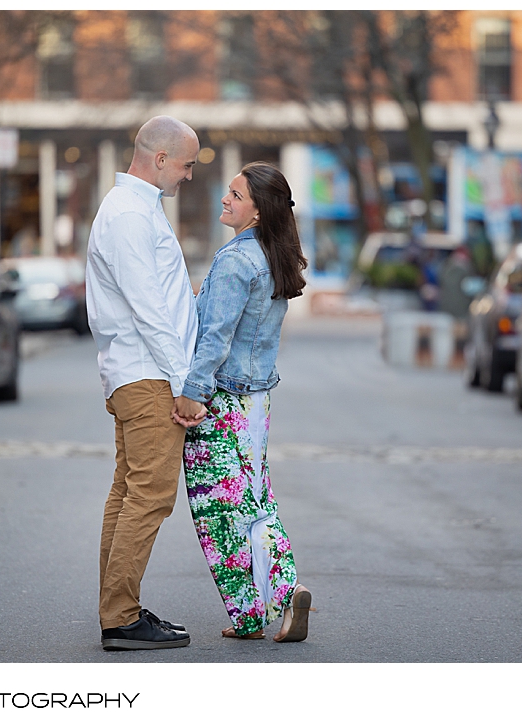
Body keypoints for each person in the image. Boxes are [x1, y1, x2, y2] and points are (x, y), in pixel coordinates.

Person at [172, 161, 313, 643]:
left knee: (218, 511)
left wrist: (194, 393)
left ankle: (271, 597)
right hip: (256, 404)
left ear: (257, 209)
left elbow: (215, 337)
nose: (225, 200)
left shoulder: (236, 260)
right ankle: (260, 609)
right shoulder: (271, 254)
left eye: (235, 194)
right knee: (254, 499)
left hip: (224, 403)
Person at [86, 115, 203, 651]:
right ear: (159, 159)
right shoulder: (131, 215)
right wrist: (183, 384)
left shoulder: (132, 209)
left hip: (136, 372)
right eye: (186, 165)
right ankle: (121, 618)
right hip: (149, 375)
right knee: (150, 496)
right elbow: (149, 308)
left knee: (128, 493)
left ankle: (119, 609)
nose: (189, 177)